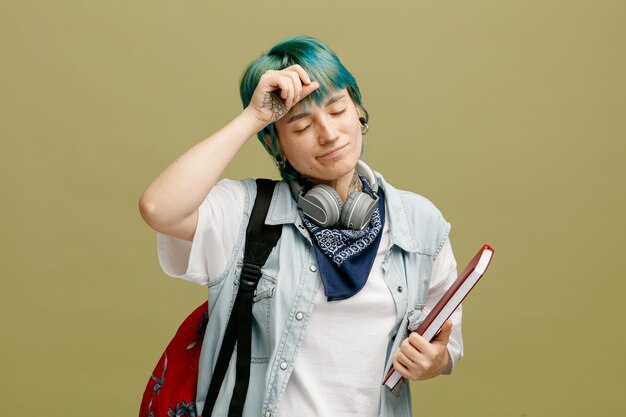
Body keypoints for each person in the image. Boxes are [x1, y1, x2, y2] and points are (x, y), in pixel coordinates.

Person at [139, 35, 463, 417]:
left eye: (338, 109)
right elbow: (159, 207)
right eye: (301, 125)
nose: (328, 134)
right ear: (274, 143)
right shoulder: (247, 216)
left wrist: (435, 361)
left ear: (359, 110)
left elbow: (447, 344)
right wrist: (253, 117)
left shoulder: (419, 225)